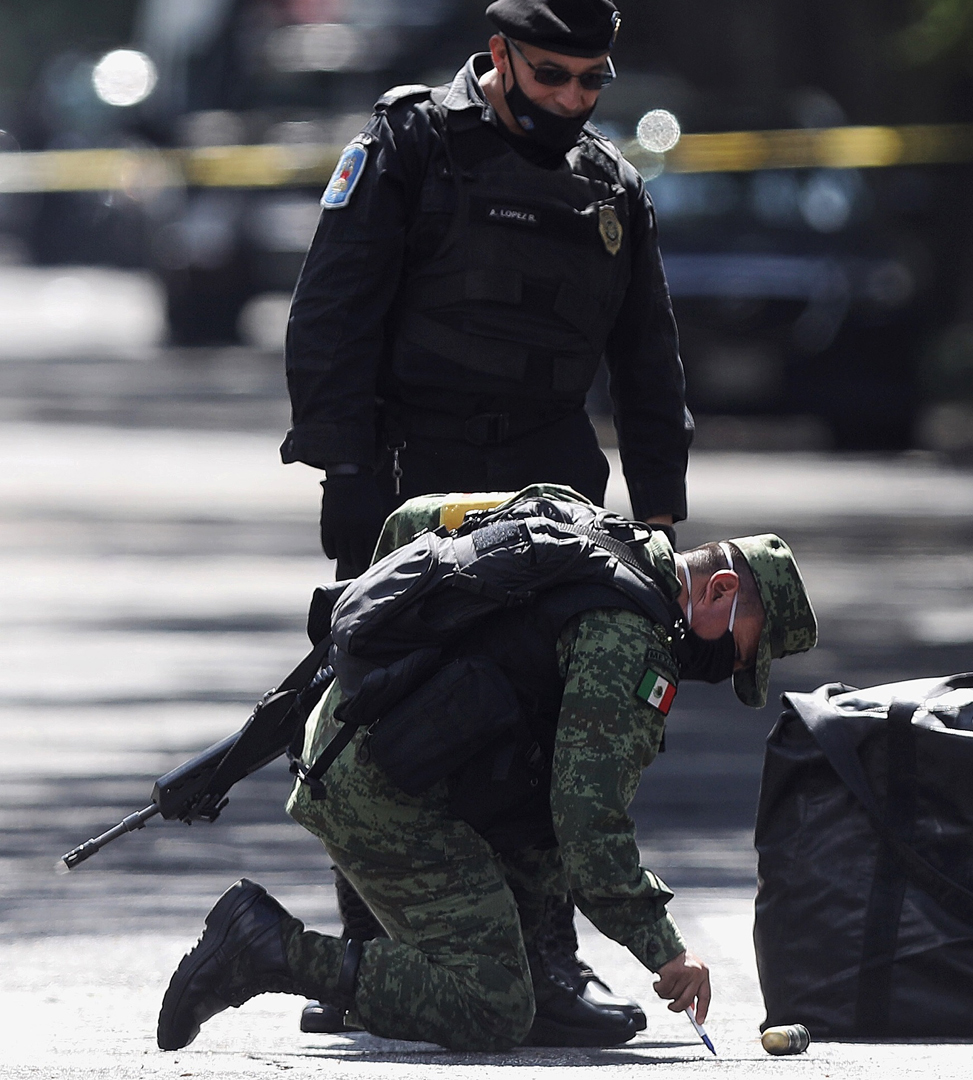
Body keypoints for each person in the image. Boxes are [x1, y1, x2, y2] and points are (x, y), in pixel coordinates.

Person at [279, 0, 692, 1034]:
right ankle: (377, 949)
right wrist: (347, 470)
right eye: (551, 76)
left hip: (551, 485)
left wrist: (660, 513)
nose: (572, 100)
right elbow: (331, 311)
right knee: (384, 701)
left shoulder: (610, 185)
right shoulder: (411, 147)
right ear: (500, 57)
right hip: (413, 474)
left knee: (539, 717)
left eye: (591, 82)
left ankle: (546, 959)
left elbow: (649, 361)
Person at [154, 487, 819, 1052]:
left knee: (525, 890)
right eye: (739, 652)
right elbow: (589, 826)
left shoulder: (584, 522)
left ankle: (409, 972)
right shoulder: (631, 642)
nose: (726, 668)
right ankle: (264, 948)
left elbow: (417, 520)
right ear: (722, 589)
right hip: (388, 794)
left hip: (352, 733)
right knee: (494, 1006)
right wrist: (668, 952)